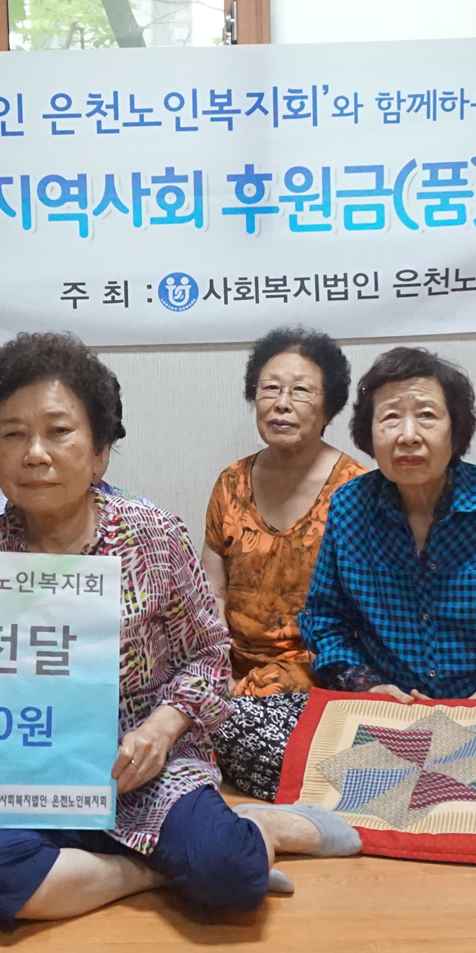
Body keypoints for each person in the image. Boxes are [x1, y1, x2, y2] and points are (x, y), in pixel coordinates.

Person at [0, 333, 355, 930]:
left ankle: (258, 826)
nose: (35, 454)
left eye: (58, 431)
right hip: (33, 773)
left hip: (148, 763)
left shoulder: (153, 536)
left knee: (233, 877)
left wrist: (161, 731)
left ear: (100, 452)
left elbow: (210, 655)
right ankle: (153, 870)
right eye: (13, 435)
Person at [296, 346, 476, 814]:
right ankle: (429, 801)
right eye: (389, 418)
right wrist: (368, 687)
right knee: (245, 737)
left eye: (427, 416)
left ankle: (400, 799)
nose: (407, 435)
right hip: (387, 715)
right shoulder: (349, 507)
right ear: (369, 433)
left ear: (457, 428)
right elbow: (323, 621)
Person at [201, 329, 364, 798]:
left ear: (328, 406)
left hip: (317, 672)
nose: (282, 404)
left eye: (301, 391)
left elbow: (364, 618)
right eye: (270, 388)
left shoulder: (357, 491)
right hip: (232, 670)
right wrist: (219, 673)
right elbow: (211, 593)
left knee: (239, 734)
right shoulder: (231, 482)